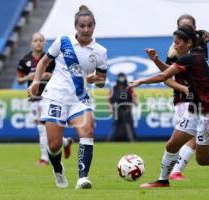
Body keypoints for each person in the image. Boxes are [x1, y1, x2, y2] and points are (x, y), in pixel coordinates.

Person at [129, 26, 209, 188]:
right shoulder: (194, 57)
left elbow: (164, 76)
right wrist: (156, 60)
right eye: (174, 42)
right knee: (172, 145)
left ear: (189, 43)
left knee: (203, 160)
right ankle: (162, 181)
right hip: (195, 111)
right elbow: (170, 71)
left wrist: (140, 81)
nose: (174, 46)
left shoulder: (191, 59)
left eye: (177, 42)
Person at [28, 5, 107, 189]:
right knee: (54, 145)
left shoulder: (100, 52)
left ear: (94, 26)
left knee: (87, 131)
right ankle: (58, 169)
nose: (86, 29)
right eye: (82, 26)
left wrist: (96, 79)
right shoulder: (63, 42)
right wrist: (35, 82)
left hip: (79, 98)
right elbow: (44, 61)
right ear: (76, 26)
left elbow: (102, 80)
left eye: (89, 25)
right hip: (55, 96)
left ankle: (83, 178)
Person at [17, 32, 74, 166]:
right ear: (31, 43)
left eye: (41, 41)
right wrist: (27, 78)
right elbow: (19, 79)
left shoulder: (50, 58)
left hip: (49, 96)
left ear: (45, 43)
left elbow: (62, 73)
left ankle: (45, 158)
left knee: (42, 127)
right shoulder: (24, 60)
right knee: (43, 128)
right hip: (34, 97)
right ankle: (65, 142)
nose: (38, 43)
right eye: (36, 40)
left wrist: (50, 75)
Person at [107, 73, 136, 141]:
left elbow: (133, 98)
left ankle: (132, 140)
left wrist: (130, 108)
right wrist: (110, 108)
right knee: (115, 124)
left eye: (122, 77)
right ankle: (109, 140)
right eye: (120, 77)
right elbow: (109, 99)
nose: (121, 79)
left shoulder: (129, 88)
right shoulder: (113, 88)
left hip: (127, 108)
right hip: (116, 109)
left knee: (128, 124)